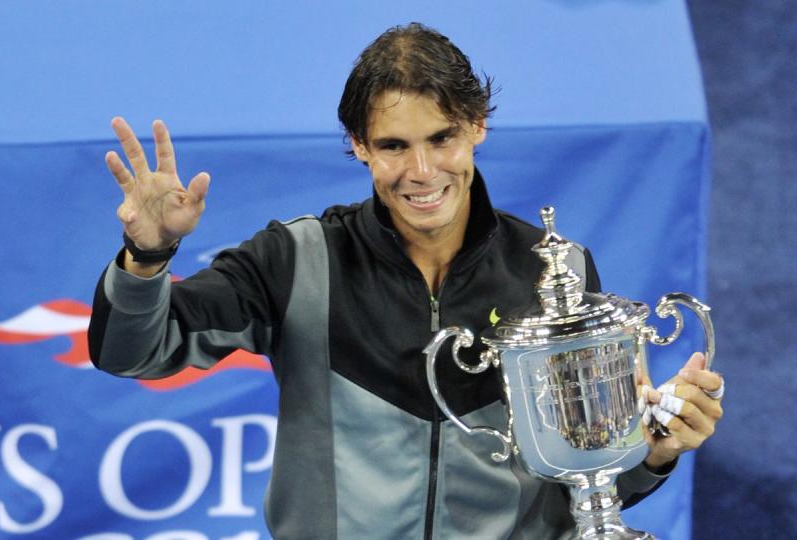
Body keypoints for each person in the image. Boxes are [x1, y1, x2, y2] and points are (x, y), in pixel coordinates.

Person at [88, 23, 723, 539]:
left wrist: (657, 450)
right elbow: (131, 352)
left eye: (442, 138)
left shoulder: (554, 269)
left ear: (477, 126)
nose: (421, 172)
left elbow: (584, 482)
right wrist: (148, 254)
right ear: (359, 146)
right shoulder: (295, 260)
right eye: (393, 145)